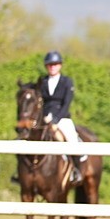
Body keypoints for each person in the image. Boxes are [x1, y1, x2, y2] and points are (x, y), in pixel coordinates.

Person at [38, 50, 85, 185]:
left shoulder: (67, 82)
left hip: (62, 118)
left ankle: (76, 170)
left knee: (71, 139)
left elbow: (67, 103)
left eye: (55, 64)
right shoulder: (43, 81)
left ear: (60, 65)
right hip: (45, 117)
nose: (52, 66)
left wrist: (56, 120)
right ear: (46, 66)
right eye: (50, 64)